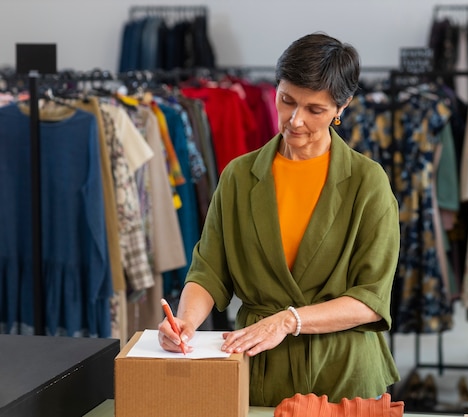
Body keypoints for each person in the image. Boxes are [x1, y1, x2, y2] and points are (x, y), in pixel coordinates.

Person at [158, 32, 401, 407]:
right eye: (287, 101)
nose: (295, 120)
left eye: (315, 110)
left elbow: (371, 299)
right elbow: (209, 271)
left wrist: (289, 320)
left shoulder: (368, 183)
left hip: (343, 372)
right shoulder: (239, 176)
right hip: (259, 369)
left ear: (343, 107)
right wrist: (187, 322)